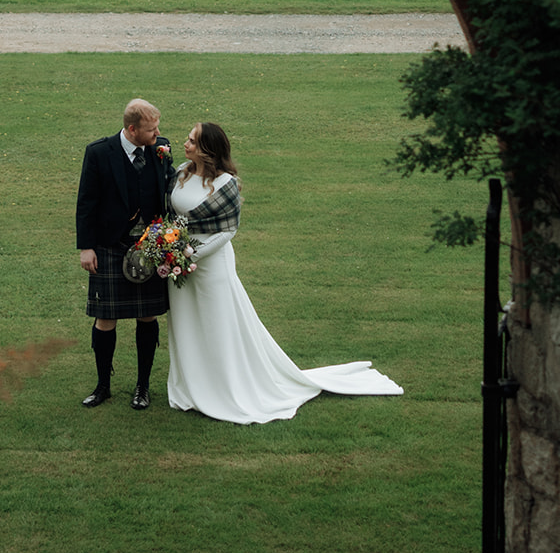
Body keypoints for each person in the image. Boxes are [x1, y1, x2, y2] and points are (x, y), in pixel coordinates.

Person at [166, 122, 403, 423]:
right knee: (186, 323)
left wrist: (191, 255)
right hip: (178, 264)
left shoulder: (226, 183)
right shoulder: (181, 172)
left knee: (216, 324)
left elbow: (228, 231)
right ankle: (190, 386)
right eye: (187, 139)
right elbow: (173, 217)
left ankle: (224, 387)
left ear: (208, 150)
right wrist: (171, 250)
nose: (185, 144)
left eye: (192, 141)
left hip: (209, 263)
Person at [76, 98, 173, 409]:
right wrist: (86, 247)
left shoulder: (161, 149)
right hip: (109, 246)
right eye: (151, 129)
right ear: (132, 129)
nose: (158, 133)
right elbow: (87, 201)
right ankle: (103, 385)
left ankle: (142, 388)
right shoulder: (99, 153)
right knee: (105, 318)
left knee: (148, 316)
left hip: (150, 246)